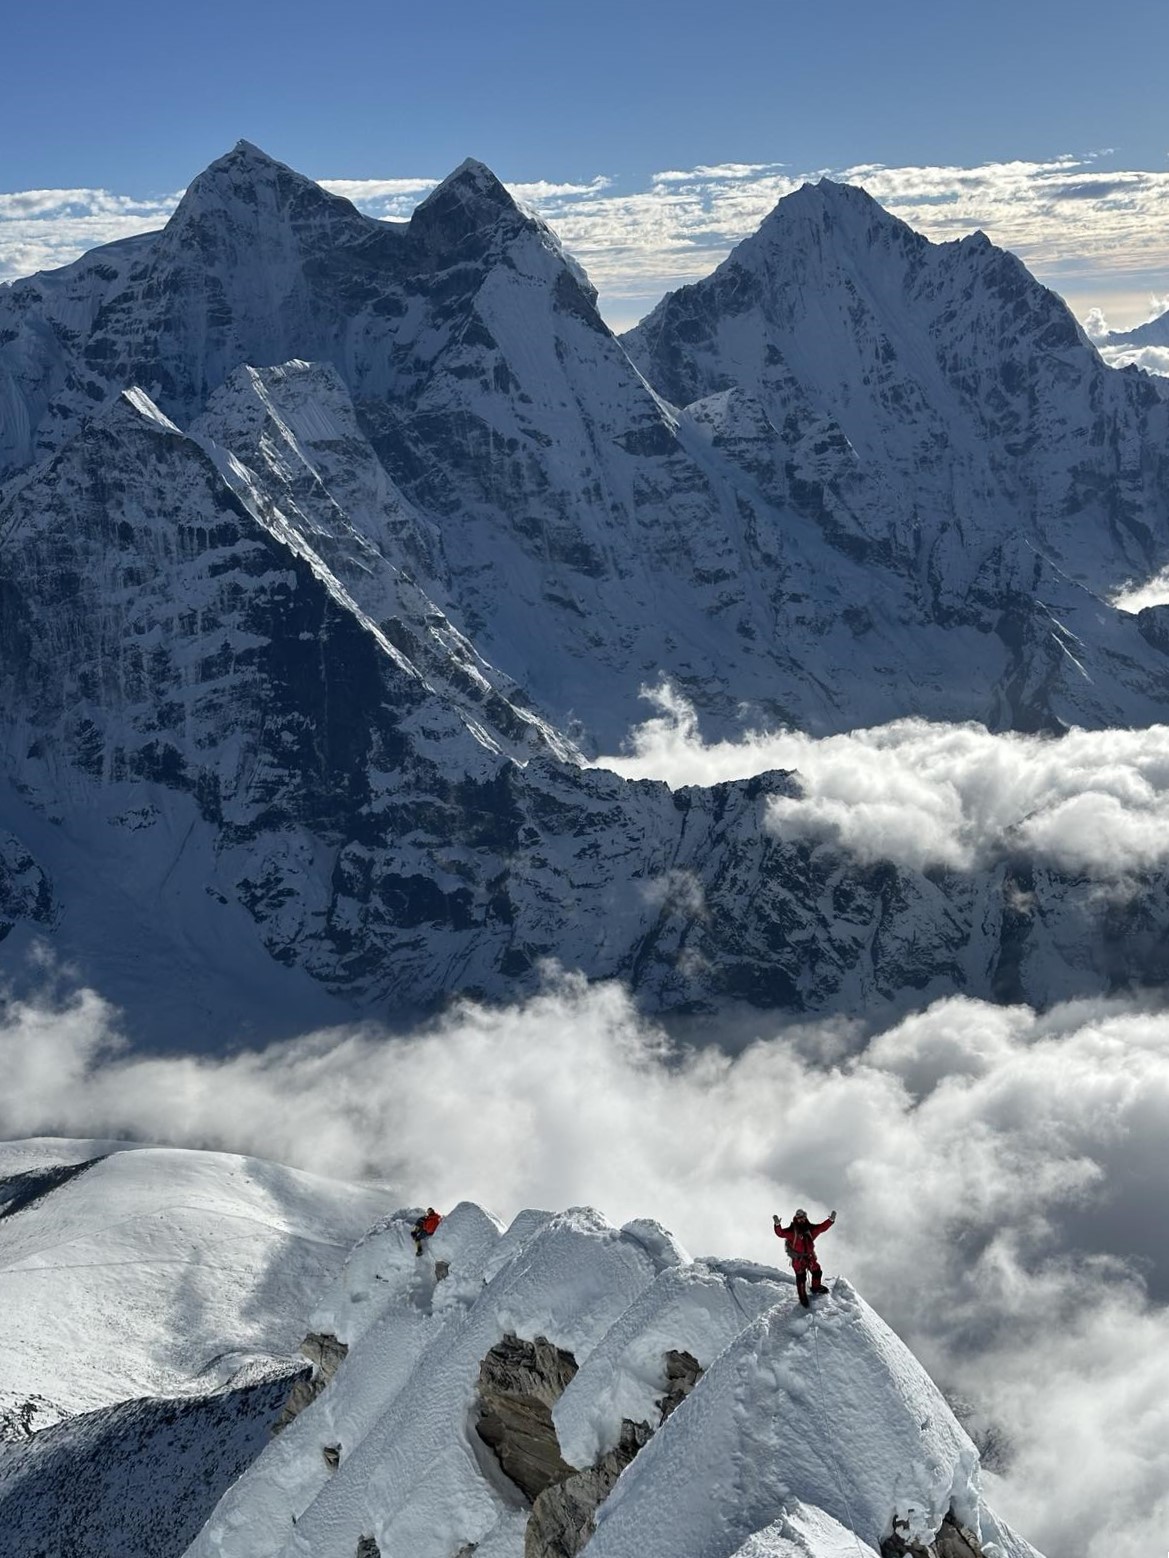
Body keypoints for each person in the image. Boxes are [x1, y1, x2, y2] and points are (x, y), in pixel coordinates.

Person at [773, 1207, 835, 1307]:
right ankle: (802, 1297)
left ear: (805, 1218)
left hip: (810, 1257)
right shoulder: (792, 1231)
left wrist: (830, 1220)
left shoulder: (810, 1229)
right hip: (798, 1260)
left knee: (817, 1271)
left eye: (802, 1218)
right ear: (796, 1218)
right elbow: (780, 1233)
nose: (801, 1220)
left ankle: (816, 1287)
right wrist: (777, 1225)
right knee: (801, 1278)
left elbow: (821, 1227)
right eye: (799, 1218)